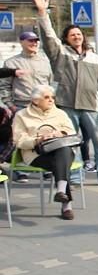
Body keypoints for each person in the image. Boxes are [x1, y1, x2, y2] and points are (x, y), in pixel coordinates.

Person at [31, 0, 98, 189]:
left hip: (90, 105)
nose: (77, 37)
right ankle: (73, 177)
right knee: (70, 143)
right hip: (67, 106)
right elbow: (48, 38)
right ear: (66, 39)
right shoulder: (60, 55)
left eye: (79, 34)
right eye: (72, 35)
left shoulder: (94, 58)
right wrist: (42, 14)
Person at [12, 85, 78, 219]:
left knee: (63, 153)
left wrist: (62, 133)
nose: (51, 100)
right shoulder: (21, 115)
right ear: (36, 100)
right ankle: (66, 205)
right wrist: (37, 140)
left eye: (52, 97)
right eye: (46, 97)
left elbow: (72, 132)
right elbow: (19, 140)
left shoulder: (60, 113)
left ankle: (60, 191)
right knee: (61, 164)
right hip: (36, 154)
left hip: (61, 150)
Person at [2, 30, 54, 181]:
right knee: (21, 139)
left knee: (45, 136)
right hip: (21, 105)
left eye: (36, 41)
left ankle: (46, 168)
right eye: (30, 41)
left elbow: (51, 85)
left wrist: (51, 102)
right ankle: (21, 171)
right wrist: (11, 105)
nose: (34, 43)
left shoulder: (44, 62)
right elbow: (4, 86)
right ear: (21, 42)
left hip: (43, 108)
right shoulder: (12, 63)